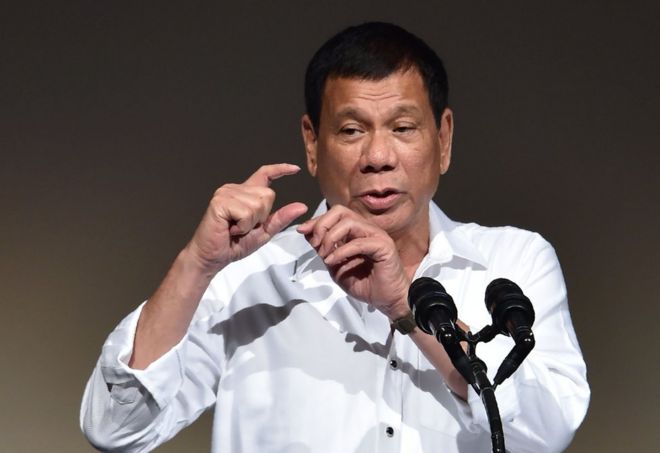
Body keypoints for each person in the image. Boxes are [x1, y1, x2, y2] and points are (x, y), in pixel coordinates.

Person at [80, 22, 589, 453]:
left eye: (404, 128)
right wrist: (196, 263)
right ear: (312, 143)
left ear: (444, 138)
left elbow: (546, 431)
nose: (377, 156)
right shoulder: (248, 277)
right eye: (351, 131)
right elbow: (116, 428)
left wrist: (403, 312)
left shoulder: (513, 262)